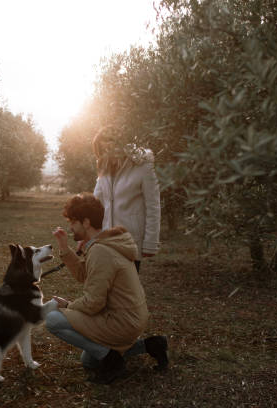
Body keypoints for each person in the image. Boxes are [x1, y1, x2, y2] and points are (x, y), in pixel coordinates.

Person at [46, 193, 168, 384]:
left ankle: (113, 362)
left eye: (73, 222)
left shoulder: (101, 251)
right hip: (132, 317)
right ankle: (150, 345)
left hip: (121, 321)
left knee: (53, 319)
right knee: (89, 360)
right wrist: (64, 247)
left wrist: (69, 306)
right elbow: (82, 275)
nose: (70, 227)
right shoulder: (104, 243)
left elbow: (94, 303)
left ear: (86, 222)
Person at [92, 126, 161, 272]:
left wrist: (150, 243)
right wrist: (88, 235)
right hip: (105, 240)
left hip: (130, 241)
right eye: (102, 150)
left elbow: (153, 207)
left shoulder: (143, 168)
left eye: (108, 148)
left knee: (127, 291)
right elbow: (95, 205)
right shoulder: (104, 171)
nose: (106, 154)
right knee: (105, 289)